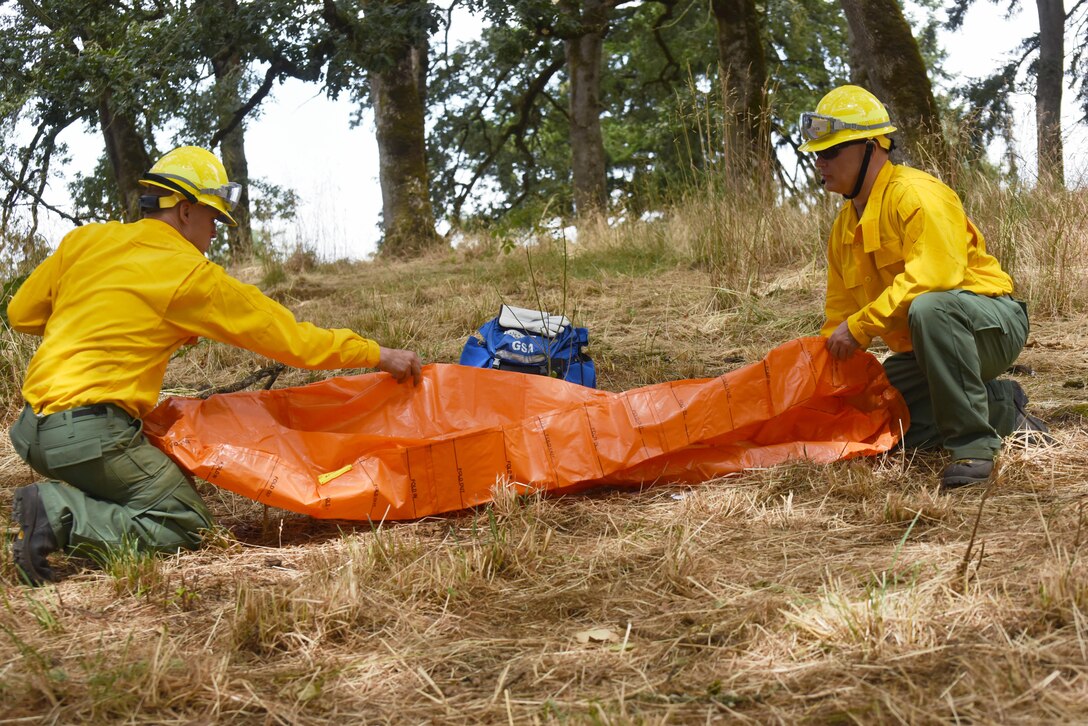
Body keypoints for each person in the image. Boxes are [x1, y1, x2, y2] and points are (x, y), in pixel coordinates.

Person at [7, 146, 422, 585]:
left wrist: (107, 316)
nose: (215, 233)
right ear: (184, 210)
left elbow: (22, 315)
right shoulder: (191, 277)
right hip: (88, 435)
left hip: (33, 430)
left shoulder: (86, 241)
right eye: (213, 219)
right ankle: (57, 513)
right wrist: (378, 355)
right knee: (183, 525)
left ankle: (71, 504)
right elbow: (295, 341)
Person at [799, 85, 1050, 491]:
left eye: (830, 152)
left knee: (930, 307)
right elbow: (839, 317)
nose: (820, 163)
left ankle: (973, 447)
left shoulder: (917, 195)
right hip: (929, 347)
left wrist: (860, 327)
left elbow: (934, 280)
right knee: (881, 424)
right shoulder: (843, 228)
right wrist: (828, 381)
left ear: (871, 147)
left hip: (987, 327)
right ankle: (1002, 408)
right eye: (816, 153)